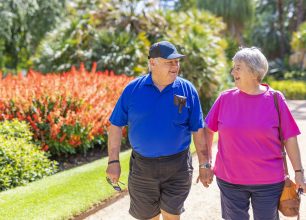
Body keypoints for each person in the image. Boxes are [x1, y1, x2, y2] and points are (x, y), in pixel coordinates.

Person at [106, 41, 212, 220]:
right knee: (148, 217)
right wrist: (113, 161)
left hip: (177, 166)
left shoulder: (188, 90)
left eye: (177, 61)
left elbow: (198, 129)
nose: (175, 65)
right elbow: (115, 125)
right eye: (169, 62)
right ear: (152, 63)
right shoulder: (133, 90)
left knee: (172, 215)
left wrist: (204, 164)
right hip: (142, 168)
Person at [205, 47, 306, 220]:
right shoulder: (225, 98)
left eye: (238, 67)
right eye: (233, 67)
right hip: (230, 180)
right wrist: (206, 162)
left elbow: (290, 138)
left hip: (269, 182)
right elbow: (207, 130)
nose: (233, 71)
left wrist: (299, 172)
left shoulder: (275, 99)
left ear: (254, 72)